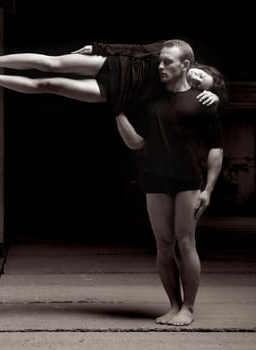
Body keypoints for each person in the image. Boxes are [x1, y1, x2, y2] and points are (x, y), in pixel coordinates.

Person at [115, 39, 223, 326]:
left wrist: (208, 190)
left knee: (186, 243)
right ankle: (173, 305)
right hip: (155, 179)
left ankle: (188, 308)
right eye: (160, 61)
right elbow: (136, 142)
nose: (161, 66)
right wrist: (118, 112)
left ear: (185, 65)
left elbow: (216, 148)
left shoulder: (202, 101)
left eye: (167, 62)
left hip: (188, 180)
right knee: (163, 244)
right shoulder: (151, 100)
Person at [0, 39, 225, 114]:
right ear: (194, 64)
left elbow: (195, 110)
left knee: (48, 85)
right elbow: (136, 49)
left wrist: (213, 97)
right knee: (49, 62)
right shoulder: (176, 52)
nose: (194, 78)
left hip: (112, 92)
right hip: (113, 64)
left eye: (197, 84)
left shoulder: (176, 95)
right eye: (199, 74)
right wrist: (100, 48)